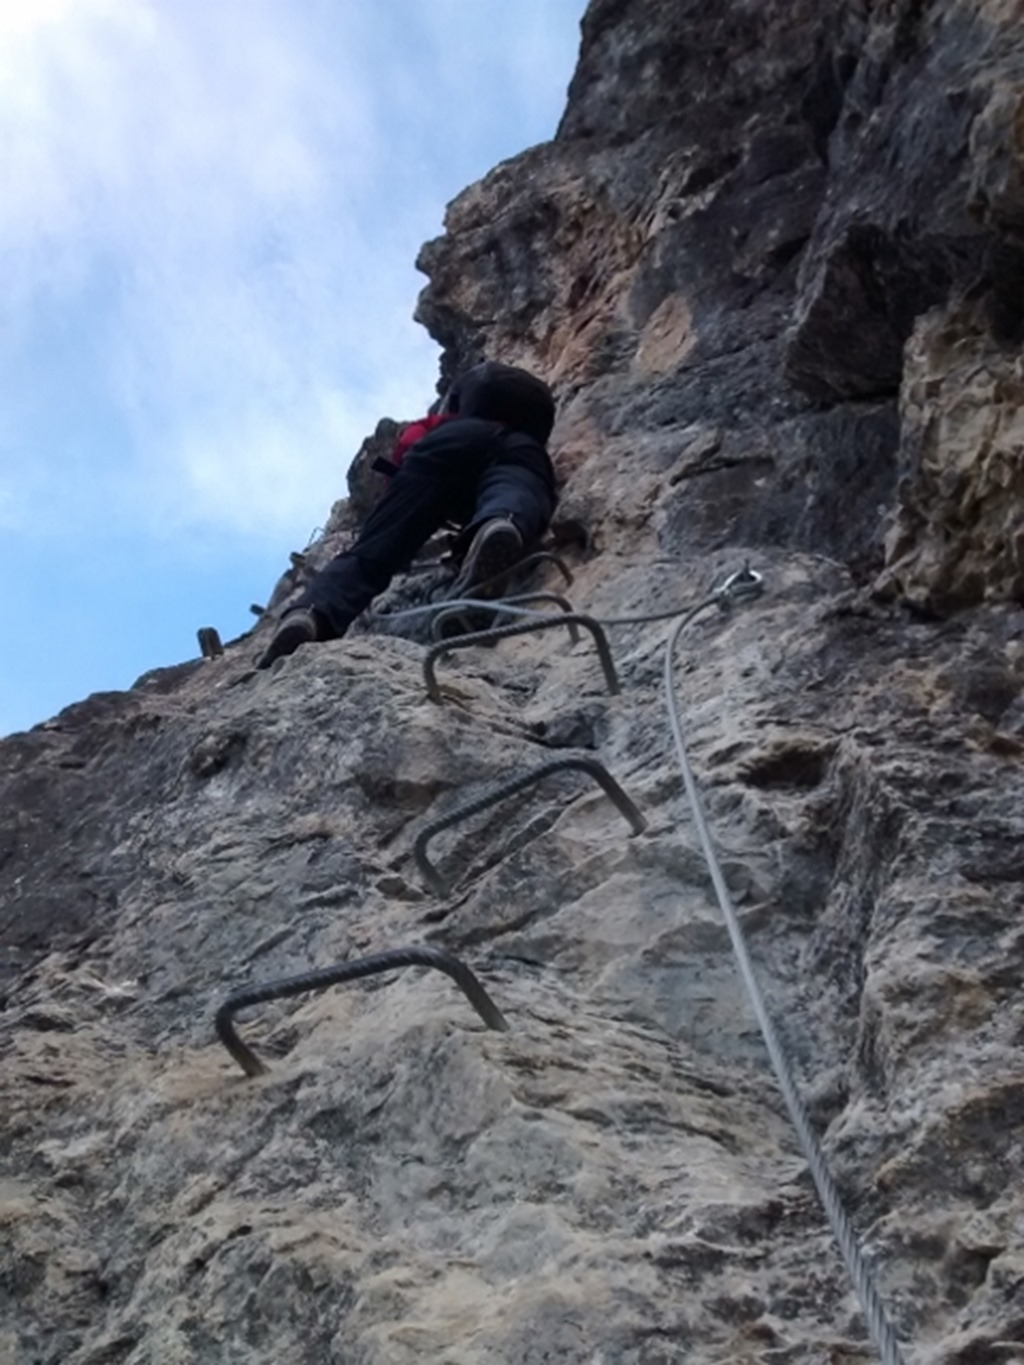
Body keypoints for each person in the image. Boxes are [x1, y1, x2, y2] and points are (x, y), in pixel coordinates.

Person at [257, 361, 557, 668]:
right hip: (521, 447)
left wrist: (403, 486)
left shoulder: (443, 415)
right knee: (515, 486)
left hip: (443, 445)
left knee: (371, 554)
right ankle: (501, 522)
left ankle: (310, 615)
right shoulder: (530, 418)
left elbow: (408, 444)